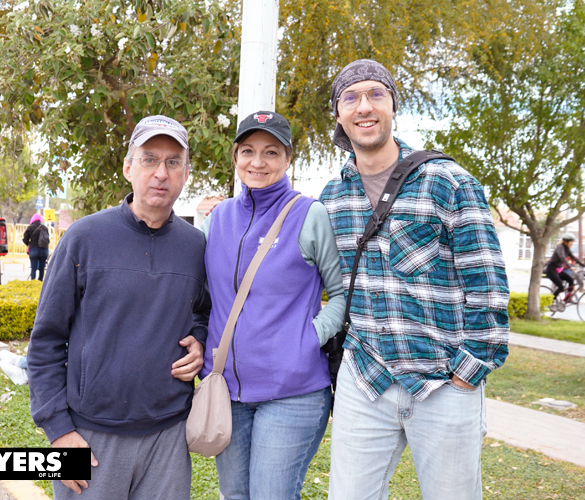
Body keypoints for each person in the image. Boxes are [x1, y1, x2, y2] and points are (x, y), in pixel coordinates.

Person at [319, 59, 510, 500]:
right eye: (351, 98)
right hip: (365, 379)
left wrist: (468, 372)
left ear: (392, 105)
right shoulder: (331, 198)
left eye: (375, 95)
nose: (364, 107)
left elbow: (488, 283)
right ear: (338, 114)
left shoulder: (447, 181)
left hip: (442, 382)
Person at [27, 115, 210, 500]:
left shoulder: (196, 247)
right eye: (149, 159)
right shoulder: (84, 238)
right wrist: (58, 430)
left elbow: (204, 313)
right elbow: (45, 341)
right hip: (89, 438)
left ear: (186, 173)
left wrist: (198, 338)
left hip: (169, 438)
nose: (161, 172)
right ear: (129, 168)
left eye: (173, 162)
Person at [200, 111, 345, 500]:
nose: (258, 162)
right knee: (235, 496)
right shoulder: (217, 220)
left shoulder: (309, 214)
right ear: (235, 157)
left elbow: (342, 295)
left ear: (288, 159)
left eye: (271, 152)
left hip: (292, 392)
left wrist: (305, 339)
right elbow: (204, 299)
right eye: (248, 151)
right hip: (227, 392)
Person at [545, 233, 584, 301]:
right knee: (561, 287)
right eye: (571, 242)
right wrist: (569, 266)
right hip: (551, 270)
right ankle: (551, 302)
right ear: (566, 242)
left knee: (571, 280)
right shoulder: (560, 247)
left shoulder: (567, 248)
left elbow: (574, 257)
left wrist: (583, 264)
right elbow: (562, 257)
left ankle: (567, 299)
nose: (572, 243)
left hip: (558, 270)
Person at [23, 214, 50, 281]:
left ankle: (33, 281)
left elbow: (25, 238)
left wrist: (29, 244)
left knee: (33, 267)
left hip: (34, 249)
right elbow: (48, 239)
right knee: (42, 268)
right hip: (44, 250)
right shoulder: (44, 228)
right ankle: (40, 281)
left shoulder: (30, 228)